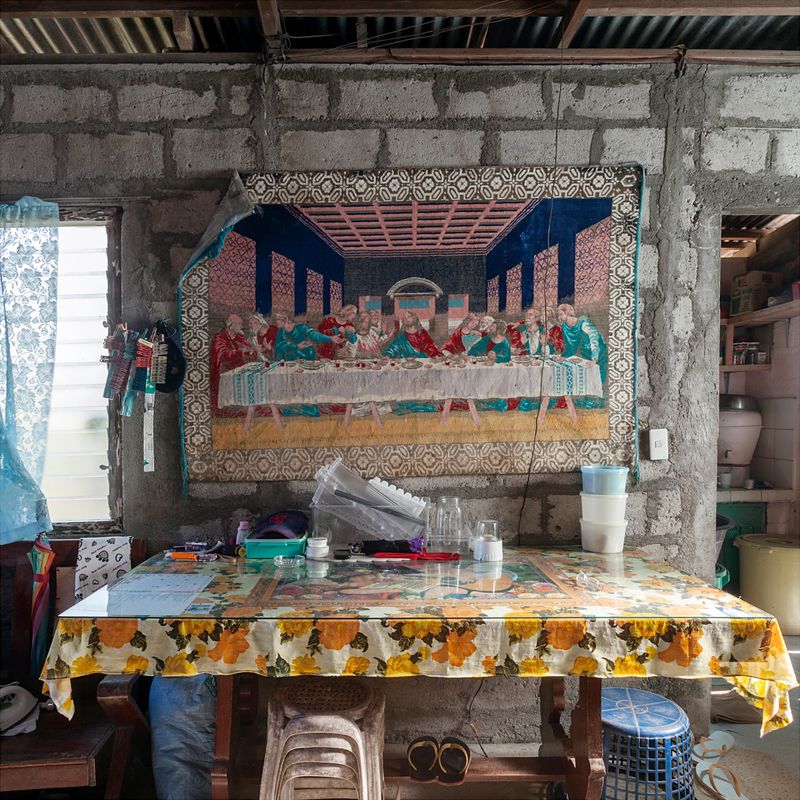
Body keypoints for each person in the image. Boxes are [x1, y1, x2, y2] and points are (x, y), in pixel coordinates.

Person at [557, 302, 608, 409]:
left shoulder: (584, 323)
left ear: (568, 313)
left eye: (561, 314)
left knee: (598, 375)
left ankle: (595, 401)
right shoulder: (565, 327)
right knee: (587, 375)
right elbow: (570, 345)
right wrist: (564, 356)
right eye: (558, 314)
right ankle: (588, 400)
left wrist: (594, 359)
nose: (559, 317)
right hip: (585, 352)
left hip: (598, 351)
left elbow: (594, 340)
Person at [210, 314, 255, 415]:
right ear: (231, 326)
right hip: (224, 373)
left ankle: (247, 406)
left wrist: (251, 351)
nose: (241, 326)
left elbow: (248, 350)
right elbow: (223, 356)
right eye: (239, 324)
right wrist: (240, 351)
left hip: (239, 370)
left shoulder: (239, 337)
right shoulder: (219, 337)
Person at [273, 312, 344, 362]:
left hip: (306, 359)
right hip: (290, 362)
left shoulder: (301, 327)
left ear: (285, 320)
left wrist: (330, 338)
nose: (275, 321)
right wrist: (296, 347)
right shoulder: (281, 332)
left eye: (278, 319)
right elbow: (278, 347)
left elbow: (315, 335)